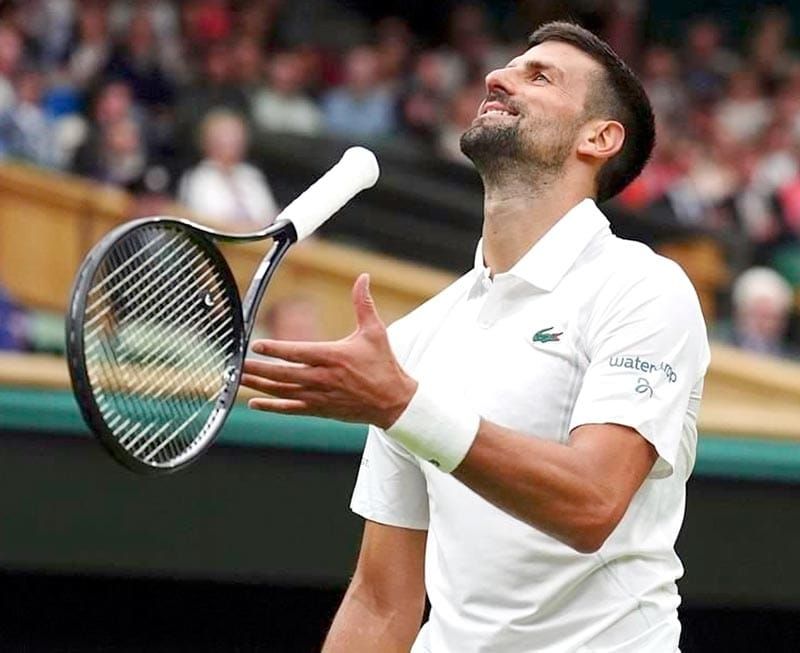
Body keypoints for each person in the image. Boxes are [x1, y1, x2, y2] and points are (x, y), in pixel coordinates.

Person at [241, 22, 709, 652]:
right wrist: (399, 400)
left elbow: (592, 503)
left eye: (538, 76)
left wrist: (402, 405)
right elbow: (382, 600)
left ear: (599, 138)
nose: (498, 77)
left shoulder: (646, 288)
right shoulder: (414, 340)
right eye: (508, 67)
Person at [177, 110, 278, 229]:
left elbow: (270, 215)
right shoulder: (196, 178)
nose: (233, 142)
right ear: (207, 141)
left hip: (260, 242)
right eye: (226, 136)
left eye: (237, 137)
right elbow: (204, 222)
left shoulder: (252, 174)